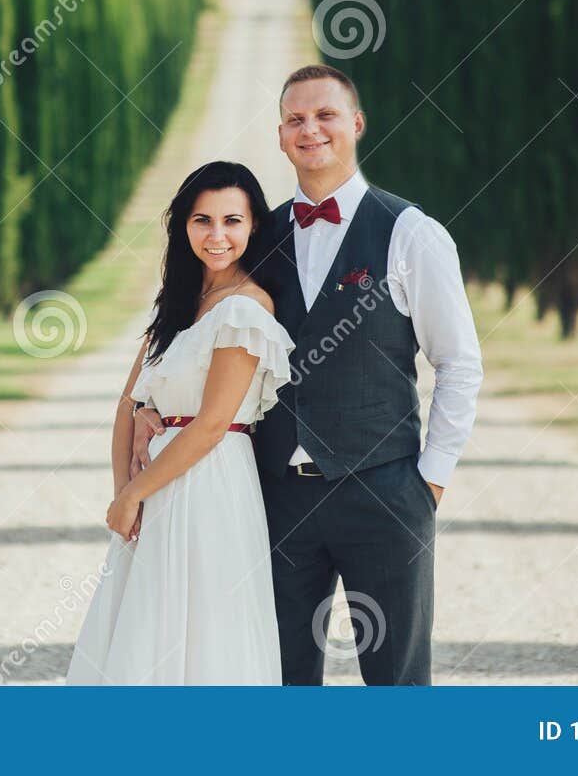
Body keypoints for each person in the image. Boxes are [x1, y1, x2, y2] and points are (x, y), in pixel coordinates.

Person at [133, 64, 484, 685]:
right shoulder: (254, 234)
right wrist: (147, 406)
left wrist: (430, 479)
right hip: (272, 497)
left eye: (325, 115)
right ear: (279, 135)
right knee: (280, 676)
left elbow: (458, 363)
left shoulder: (411, 233)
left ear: (356, 123)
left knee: (396, 680)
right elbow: (193, 329)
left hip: (384, 489)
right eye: (295, 118)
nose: (310, 129)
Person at [67, 161, 294, 684]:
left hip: (210, 483)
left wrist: (131, 494)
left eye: (232, 221)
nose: (217, 236)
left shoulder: (247, 309)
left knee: (202, 630)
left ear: (254, 225)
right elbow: (127, 403)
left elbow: (213, 423)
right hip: (153, 489)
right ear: (183, 226)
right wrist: (124, 490)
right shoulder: (177, 304)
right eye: (202, 220)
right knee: (141, 627)